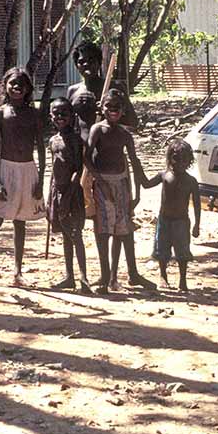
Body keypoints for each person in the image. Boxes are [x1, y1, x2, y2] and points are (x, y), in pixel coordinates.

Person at [0, 67, 45, 287]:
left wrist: (41, 180)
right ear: (5, 86)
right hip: (6, 170)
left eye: (21, 85)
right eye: (12, 83)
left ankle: (17, 272)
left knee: (20, 222)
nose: (16, 88)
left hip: (28, 169)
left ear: (28, 89)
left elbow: (41, 148)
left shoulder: (33, 114)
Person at [86, 89, 156, 293]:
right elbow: (87, 157)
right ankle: (105, 275)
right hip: (103, 184)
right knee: (103, 230)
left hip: (122, 184)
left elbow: (134, 161)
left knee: (123, 230)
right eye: (109, 106)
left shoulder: (125, 135)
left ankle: (126, 275)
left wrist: (138, 193)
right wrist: (99, 181)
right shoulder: (97, 130)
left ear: (123, 110)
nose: (113, 111)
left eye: (117, 107)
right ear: (102, 108)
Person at [46, 98, 91, 293]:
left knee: (75, 235)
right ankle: (69, 277)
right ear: (51, 116)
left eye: (64, 113)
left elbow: (78, 169)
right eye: (56, 113)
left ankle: (84, 277)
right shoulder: (52, 140)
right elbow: (53, 170)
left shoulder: (75, 139)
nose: (60, 117)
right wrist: (51, 198)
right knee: (65, 235)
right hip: (57, 191)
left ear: (72, 116)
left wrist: (68, 195)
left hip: (72, 193)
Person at [144, 139, 201, 292]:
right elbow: (146, 184)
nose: (180, 163)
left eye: (184, 159)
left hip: (182, 221)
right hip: (164, 220)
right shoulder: (164, 175)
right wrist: (136, 166)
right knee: (162, 250)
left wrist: (197, 225)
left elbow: (197, 204)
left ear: (189, 160)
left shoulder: (191, 181)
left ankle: (182, 280)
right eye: (176, 158)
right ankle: (163, 276)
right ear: (170, 158)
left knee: (182, 252)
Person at [67, 41, 137, 128]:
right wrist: (74, 108)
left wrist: (108, 112)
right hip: (82, 141)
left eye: (91, 60)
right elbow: (67, 124)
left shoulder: (115, 88)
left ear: (99, 63)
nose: (86, 64)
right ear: (77, 66)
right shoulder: (73, 91)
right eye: (81, 62)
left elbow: (133, 121)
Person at [70, 89, 99, 218]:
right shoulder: (73, 90)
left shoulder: (107, 87)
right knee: (83, 199)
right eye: (81, 65)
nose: (85, 67)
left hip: (101, 153)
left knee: (101, 199)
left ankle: (102, 236)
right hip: (79, 152)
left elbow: (131, 121)